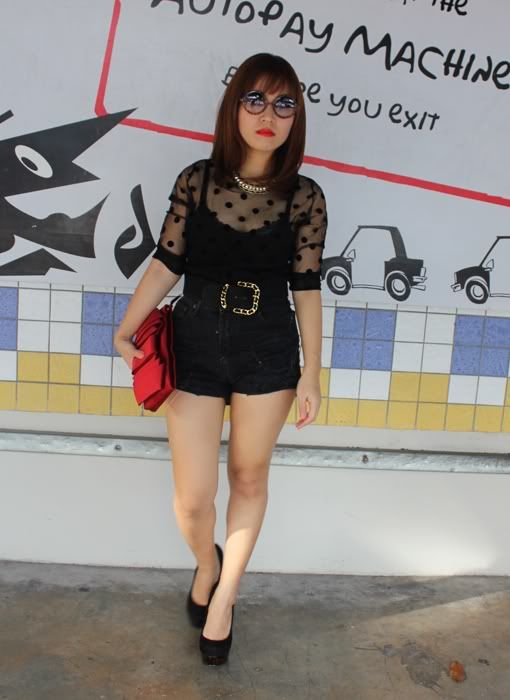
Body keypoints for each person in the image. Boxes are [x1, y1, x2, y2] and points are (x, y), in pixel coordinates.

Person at [114, 52, 327, 665]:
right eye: (255, 99)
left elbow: (306, 286)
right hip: (195, 341)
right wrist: (125, 330)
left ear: (296, 117)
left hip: (269, 347)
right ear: (233, 107)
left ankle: (224, 598)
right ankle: (206, 563)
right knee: (192, 499)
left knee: (249, 478)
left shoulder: (306, 197)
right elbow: (167, 261)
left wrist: (312, 371)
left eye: (284, 103)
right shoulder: (197, 180)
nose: (268, 115)